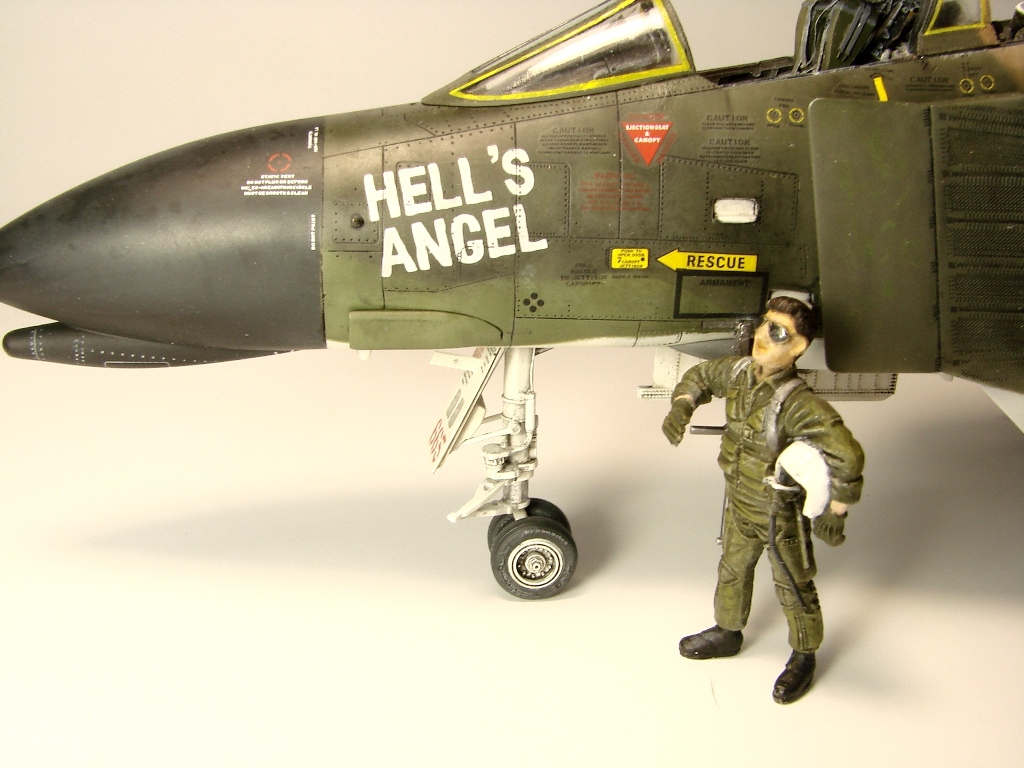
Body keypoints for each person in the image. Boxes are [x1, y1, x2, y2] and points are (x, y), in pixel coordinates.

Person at [663, 296, 864, 704]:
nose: (761, 336)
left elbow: (847, 456)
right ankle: (728, 630)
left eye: (777, 332)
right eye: (763, 324)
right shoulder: (738, 374)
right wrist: (682, 406)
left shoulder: (799, 404)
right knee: (732, 569)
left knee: (793, 584)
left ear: (799, 347)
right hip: (738, 500)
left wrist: (836, 510)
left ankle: (804, 655)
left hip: (778, 512)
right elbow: (699, 376)